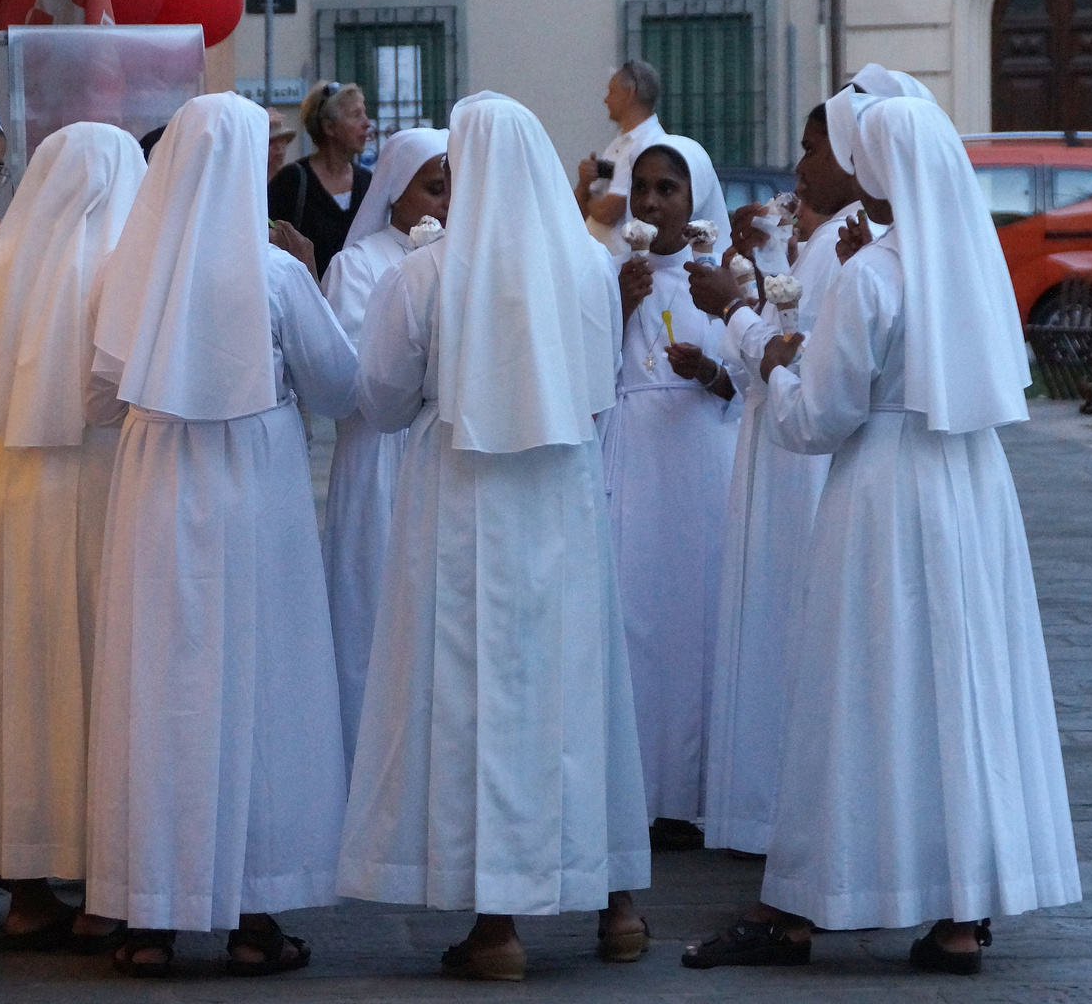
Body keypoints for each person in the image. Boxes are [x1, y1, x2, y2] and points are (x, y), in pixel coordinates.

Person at [681, 89, 1080, 975]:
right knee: (956, 694)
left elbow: (812, 420)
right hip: (968, 489)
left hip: (884, 495)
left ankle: (800, 909)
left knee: (857, 688)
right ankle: (957, 913)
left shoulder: (874, 272)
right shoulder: (964, 262)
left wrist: (754, 336)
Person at [337, 92, 648, 982]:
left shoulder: (427, 274)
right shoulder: (588, 269)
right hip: (564, 492)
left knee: (481, 696)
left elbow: (384, 399)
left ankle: (498, 922)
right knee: (580, 688)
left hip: (464, 494)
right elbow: (598, 391)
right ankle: (616, 902)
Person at [84, 93, 357, 977]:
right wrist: (311, 275)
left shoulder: (132, 268)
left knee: (161, 683)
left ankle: (149, 918)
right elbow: (341, 386)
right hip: (256, 483)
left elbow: (101, 388)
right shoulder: (274, 273)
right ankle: (253, 916)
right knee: (261, 686)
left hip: (157, 478)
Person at [0, 122, 144, 953]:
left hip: (10, 485)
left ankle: (28, 882)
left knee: (22, 671)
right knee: (99, 672)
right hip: (103, 482)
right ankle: (103, 883)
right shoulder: (129, 269)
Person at [682, 106, 861, 857]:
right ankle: (763, 801)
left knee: (792, 623)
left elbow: (795, 356)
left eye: (811, 146)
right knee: (769, 621)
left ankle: (783, 809)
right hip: (775, 444)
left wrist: (731, 308)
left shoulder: (857, 246)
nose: (798, 163)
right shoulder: (827, 241)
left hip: (804, 459)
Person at [605, 133, 740, 851]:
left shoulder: (719, 278)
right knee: (639, 621)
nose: (653, 202)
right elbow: (588, 373)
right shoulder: (609, 273)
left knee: (700, 619)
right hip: (636, 457)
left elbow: (749, 381)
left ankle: (699, 789)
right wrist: (618, 310)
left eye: (669, 189)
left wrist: (710, 373)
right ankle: (641, 790)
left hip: (700, 457)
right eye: (644, 189)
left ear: (696, 200)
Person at [317, 126, 449, 765]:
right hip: (376, 457)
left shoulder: (463, 259)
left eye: (455, 188)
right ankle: (366, 763)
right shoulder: (359, 263)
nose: (447, 203)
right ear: (395, 191)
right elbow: (346, 372)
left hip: (437, 452)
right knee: (372, 611)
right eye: (433, 187)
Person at [266, 81, 374, 278]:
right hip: (305, 302)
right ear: (329, 127)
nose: (367, 123)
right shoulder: (292, 182)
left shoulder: (369, 182)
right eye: (356, 115)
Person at [576, 59, 668, 255]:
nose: (605, 100)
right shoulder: (618, 144)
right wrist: (584, 184)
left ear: (629, 94)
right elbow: (578, 211)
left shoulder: (647, 146)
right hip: (602, 260)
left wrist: (589, 197)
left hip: (624, 265)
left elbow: (608, 213)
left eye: (611, 92)